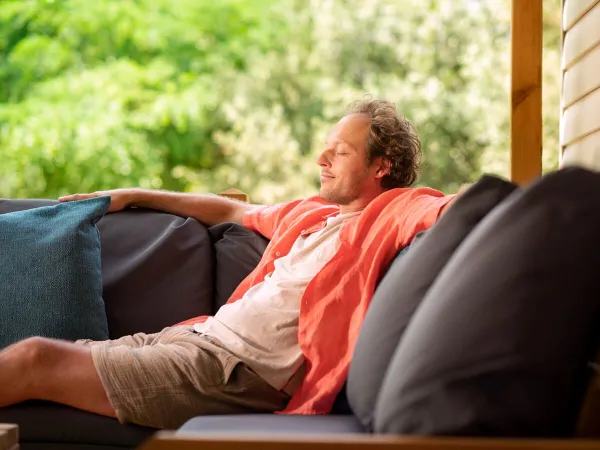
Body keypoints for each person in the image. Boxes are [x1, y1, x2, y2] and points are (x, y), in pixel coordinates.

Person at [0, 99, 457, 429]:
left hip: (233, 372)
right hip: (193, 339)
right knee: (26, 356)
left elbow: (458, 208)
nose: (321, 159)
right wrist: (130, 195)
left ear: (382, 165)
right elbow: (226, 210)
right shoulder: (310, 215)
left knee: (35, 358)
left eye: (340, 151)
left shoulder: (398, 210)